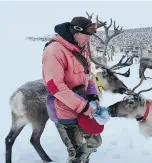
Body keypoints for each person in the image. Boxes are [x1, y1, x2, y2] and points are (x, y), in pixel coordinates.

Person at [42, 16, 106, 163]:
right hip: (64, 112)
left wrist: (92, 95)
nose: (87, 40)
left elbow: (88, 75)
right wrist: (83, 106)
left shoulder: (81, 48)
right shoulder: (54, 51)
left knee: (93, 143)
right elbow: (55, 86)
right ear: (74, 32)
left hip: (82, 107)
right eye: (85, 36)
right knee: (76, 151)